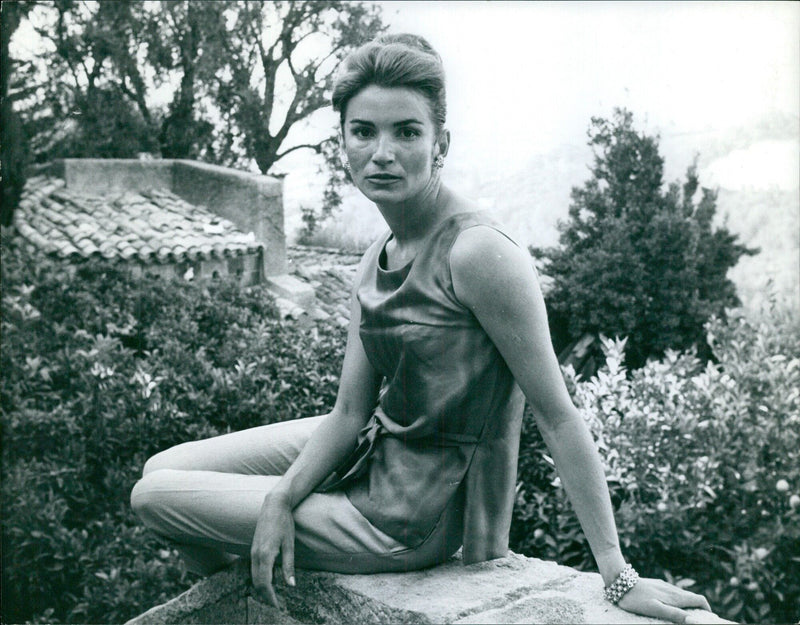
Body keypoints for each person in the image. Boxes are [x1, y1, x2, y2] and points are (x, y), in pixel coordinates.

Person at [131, 33, 713, 622]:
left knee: (152, 497)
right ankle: (256, 592)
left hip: (403, 516)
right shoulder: (375, 255)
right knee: (163, 467)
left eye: (407, 132)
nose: (383, 152)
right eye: (364, 131)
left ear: (441, 144)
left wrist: (616, 572)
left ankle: (264, 588)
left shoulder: (479, 252)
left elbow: (556, 413)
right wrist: (281, 497)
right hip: (372, 447)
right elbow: (348, 412)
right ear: (344, 143)